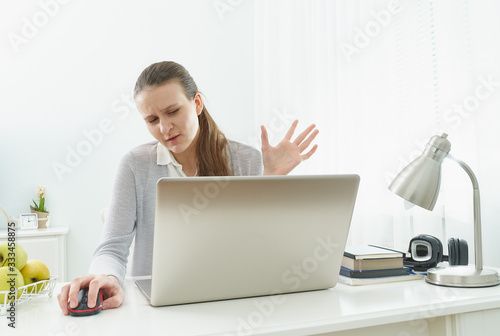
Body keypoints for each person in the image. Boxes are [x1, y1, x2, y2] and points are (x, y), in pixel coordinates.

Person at [57, 61, 319, 314]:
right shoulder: (135, 165)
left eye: (172, 111)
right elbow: (112, 248)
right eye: (151, 119)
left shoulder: (247, 160)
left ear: (197, 104)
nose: (164, 127)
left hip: (233, 303)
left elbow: (265, 250)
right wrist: (107, 277)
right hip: (157, 310)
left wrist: (271, 180)